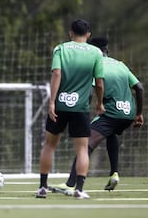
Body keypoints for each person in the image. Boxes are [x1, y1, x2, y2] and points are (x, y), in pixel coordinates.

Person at [49, 37, 144, 195]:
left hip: (111, 113)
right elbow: (139, 88)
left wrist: (83, 112)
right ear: (107, 51)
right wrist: (139, 113)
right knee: (111, 133)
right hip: (128, 114)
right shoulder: (120, 65)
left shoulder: (94, 64)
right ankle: (114, 173)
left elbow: (93, 89)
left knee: (85, 145)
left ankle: (71, 184)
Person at [35, 19, 105, 199]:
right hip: (80, 107)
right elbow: (99, 82)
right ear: (88, 35)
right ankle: (79, 190)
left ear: (70, 33)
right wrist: (99, 103)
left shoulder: (61, 48)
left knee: (49, 145)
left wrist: (52, 102)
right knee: (82, 149)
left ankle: (42, 187)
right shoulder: (96, 52)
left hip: (59, 106)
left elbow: (56, 73)